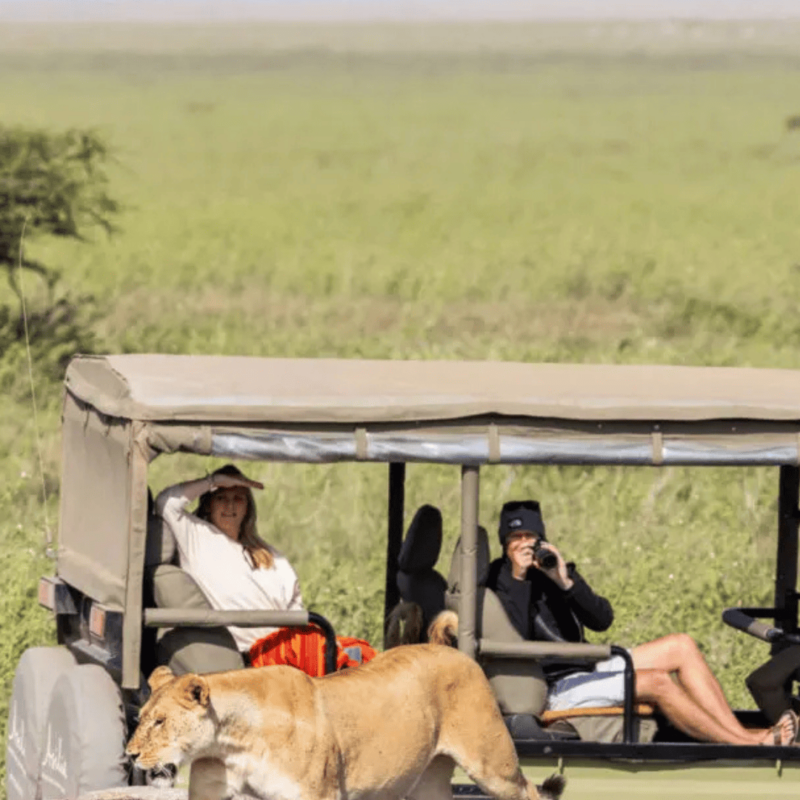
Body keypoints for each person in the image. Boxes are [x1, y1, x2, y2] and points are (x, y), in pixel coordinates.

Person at [486, 499, 798, 747]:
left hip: (587, 667)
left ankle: (745, 736)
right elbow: (514, 636)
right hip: (554, 684)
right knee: (657, 681)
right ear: (504, 542)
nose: (524, 544)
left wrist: (565, 582)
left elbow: (602, 619)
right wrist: (519, 578)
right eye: (516, 537)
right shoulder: (499, 581)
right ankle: (748, 743)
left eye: (531, 536)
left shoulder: (551, 569)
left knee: (681, 645)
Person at [156, 463, 303, 657]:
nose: (230, 505)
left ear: (247, 506)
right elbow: (165, 503)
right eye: (221, 497)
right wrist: (213, 481)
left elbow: (296, 610)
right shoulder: (195, 536)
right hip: (238, 655)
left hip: (282, 654)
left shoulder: (272, 557)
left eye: (238, 498)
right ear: (209, 503)